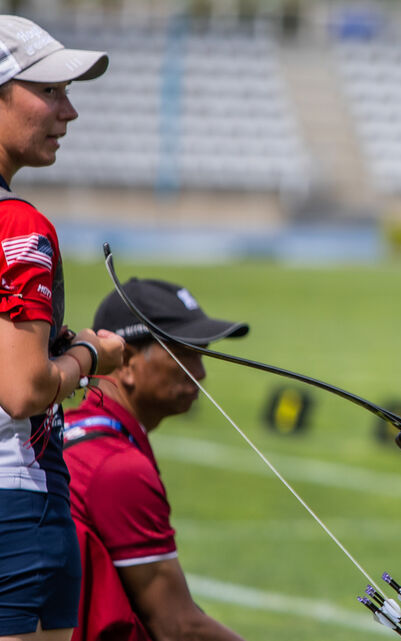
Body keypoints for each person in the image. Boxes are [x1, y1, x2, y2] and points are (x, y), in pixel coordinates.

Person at [0, 15, 124, 641]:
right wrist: (86, 355)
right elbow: (22, 391)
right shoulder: (18, 226)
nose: (68, 111)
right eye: (48, 91)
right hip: (16, 505)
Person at [62, 279, 249, 641]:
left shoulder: (74, 428)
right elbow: (177, 628)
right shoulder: (116, 466)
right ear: (127, 362)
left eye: (202, 352)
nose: (200, 371)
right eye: (184, 352)